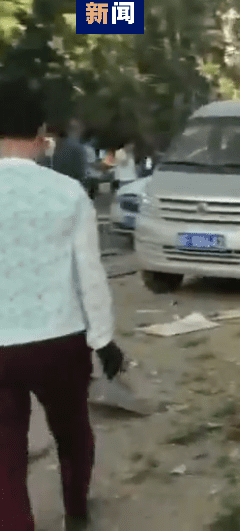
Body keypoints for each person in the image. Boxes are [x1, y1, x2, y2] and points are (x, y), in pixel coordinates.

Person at [0, 76, 126, 531]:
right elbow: (90, 275)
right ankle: (75, 511)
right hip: (60, 340)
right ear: (40, 134)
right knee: (73, 434)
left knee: (5, 463)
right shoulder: (67, 194)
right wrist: (105, 339)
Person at [52, 119, 88, 189]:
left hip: (55, 185)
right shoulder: (78, 149)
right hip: (70, 187)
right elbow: (81, 173)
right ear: (79, 130)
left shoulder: (56, 145)